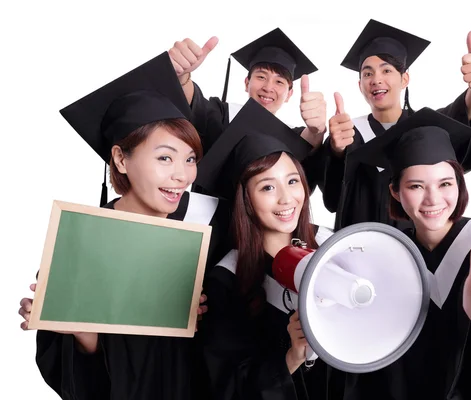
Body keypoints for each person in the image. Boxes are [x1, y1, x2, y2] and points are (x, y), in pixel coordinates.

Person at [18, 52, 230, 399]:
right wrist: (83, 335)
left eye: (190, 159)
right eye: (165, 157)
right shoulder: (80, 244)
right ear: (120, 158)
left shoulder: (206, 229)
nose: (183, 175)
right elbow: (73, 381)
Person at [339, 108, 471, 399]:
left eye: (445, 183)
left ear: (459, 184)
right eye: (416, 186)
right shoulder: (387, 257)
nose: (433, 199)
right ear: (395, 192)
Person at [193, 98, 334, 400]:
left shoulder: (333, 248)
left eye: (293, 181)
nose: (287, 199)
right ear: (246, 200)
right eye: (268, 187)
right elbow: (227, 385)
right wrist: (293, 357)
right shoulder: (226, 280)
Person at [322, 19, 471, 230]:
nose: (376, 79)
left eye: (386, 70)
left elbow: (461, 115)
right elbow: (332, 201)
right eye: (367, 73)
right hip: (356, 249)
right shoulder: (348, 133)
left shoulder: (426, 128)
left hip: (416, 250)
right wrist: (337, 152)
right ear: (360, 85)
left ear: (404, 79)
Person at [168, 28, 327, 193]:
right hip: (205, 215)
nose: (268, 87)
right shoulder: (222, 114)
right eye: (261, 77)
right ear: (246, 83)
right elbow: (194, 104)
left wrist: (317, 130)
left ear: (289, 94)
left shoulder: (291, 136)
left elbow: (308, 143)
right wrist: (182, 76)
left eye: (279, 82)